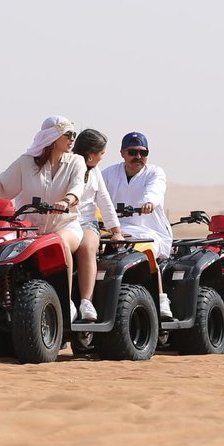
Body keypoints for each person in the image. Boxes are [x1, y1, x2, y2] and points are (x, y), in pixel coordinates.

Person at [0, 116, 88, 319]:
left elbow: (77, 187)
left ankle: (65, 302)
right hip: (28, 230)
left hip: (65, 225)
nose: (72, 139)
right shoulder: (25, 163)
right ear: (52, 137)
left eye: (73, 134)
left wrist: (66, 201)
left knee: (60, 243)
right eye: (68, 134)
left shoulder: (76, 162)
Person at [100, 131, 173, 319]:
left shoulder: (155, 172)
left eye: (143, 152)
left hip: (148, 231)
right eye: (132, 152)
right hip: (114, 230)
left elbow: (155, 190)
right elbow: (94, 193)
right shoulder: (108, 173)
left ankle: (161, 298)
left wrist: (148, 202)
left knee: (144, 250)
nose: (138, 157)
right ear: (122, 153)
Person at [71, 129, 124, 323]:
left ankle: (86, 301)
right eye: (101, 153)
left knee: (86, 248)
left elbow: (104, 200)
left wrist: (116, 231)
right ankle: (65, 302)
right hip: (64, 222)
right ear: (91, 154)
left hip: (86, 222)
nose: (102, 158)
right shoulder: (65, 166)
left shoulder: (95, 172)